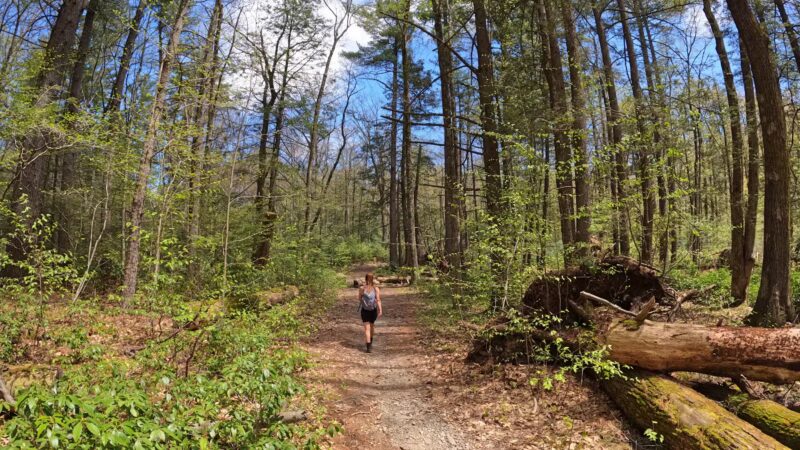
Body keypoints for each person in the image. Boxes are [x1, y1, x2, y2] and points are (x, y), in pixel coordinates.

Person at [358, 273, 382, 352]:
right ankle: (370, 342)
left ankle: (368, 347)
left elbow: (359, 299)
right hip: (373, 310)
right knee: (372, 327)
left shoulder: (362, 288)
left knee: (366, 329)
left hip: (364, 310)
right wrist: (380, 310)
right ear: (373, 279)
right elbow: (378, 300)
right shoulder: (376, 289)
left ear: (365, 279)